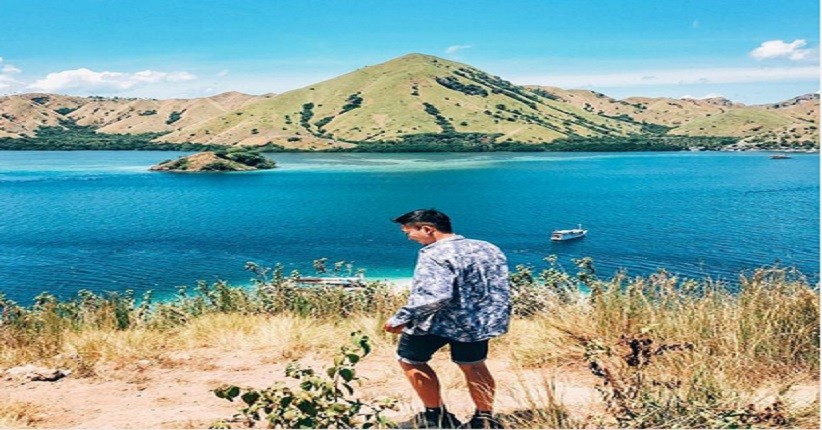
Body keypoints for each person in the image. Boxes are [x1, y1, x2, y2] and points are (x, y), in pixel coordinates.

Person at [384, 209, 511, 429]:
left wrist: (401, 317)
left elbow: (435, 295)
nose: (408, 237)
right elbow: (499, 287)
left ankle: (436, 418)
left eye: (409, 232)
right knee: (474, 366)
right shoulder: (487, 247)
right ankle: (484, 420)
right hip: (476, 323)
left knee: (410, 360)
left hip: (437, 322)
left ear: (427, 229)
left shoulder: (434, 253)